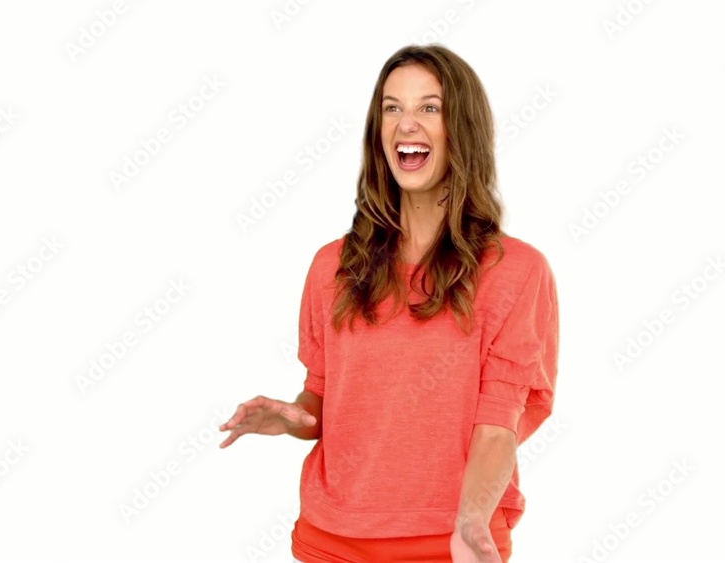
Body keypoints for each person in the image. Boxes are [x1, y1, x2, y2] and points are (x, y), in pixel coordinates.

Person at [219, 44, 559, 563]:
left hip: (448, 545)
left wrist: (470, 524)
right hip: (329, 539)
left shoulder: (515, 271)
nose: (407, 123)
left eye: (429, 107)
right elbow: (323, 400)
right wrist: (293, 417)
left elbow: (497, 428)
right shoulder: (333, 266)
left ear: (461, 129)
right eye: (392, 107)